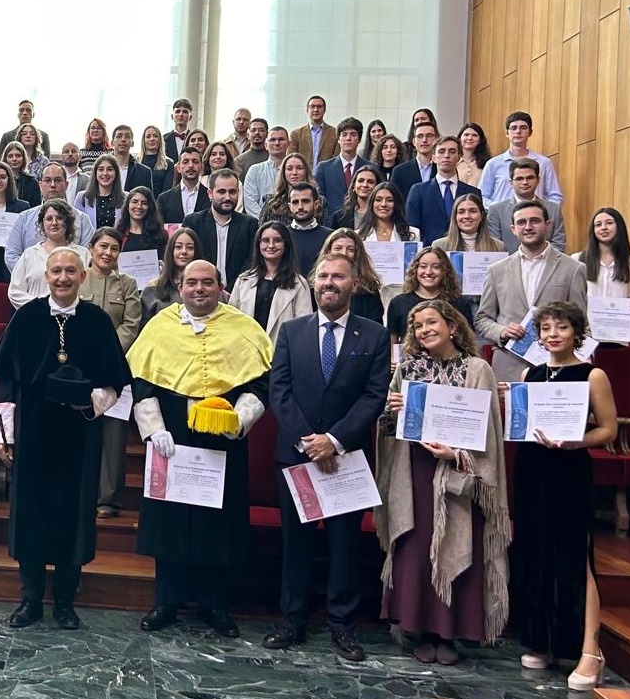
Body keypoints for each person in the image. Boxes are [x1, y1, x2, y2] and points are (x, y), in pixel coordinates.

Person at [0, 247, 132, 628]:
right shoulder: (27, 317)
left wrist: (88, 403)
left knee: (74, 517)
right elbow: (5, 379)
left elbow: (114, 383)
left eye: (71, 271)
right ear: (46, 275)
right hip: (32, 433)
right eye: (56, 272)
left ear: (83, 276)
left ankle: (66, 602)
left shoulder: (98, 321)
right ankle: (30, 599)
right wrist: (3, 433)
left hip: (79, 436)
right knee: (30, 515)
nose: (63, 278)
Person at [129, 260, 272, 635]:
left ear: (220, 286)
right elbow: (142, 382)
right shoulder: (159, 326)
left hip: (222, 440)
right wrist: (153, 429)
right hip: (171, 439)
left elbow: (258, 386)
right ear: (180, 285)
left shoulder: (243, 328)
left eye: (207, 282)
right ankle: (166, 601)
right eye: (191, 282)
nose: (199, 289)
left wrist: (240, 420)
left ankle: (214, 604)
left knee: (217, 523)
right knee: (169, 522)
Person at [263, 252, 390, 661]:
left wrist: (333, 440)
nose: (329, 283)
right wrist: (308, 441)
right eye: (323, 277)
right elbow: (278, 390)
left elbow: (374, 396)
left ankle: (342, 626)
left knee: (344, 545)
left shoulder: (373, 335)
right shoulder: (291, 331)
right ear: (314, 283)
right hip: (296, 456)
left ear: (353, 284)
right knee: (294, 543)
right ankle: (292, 619)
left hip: (346, 458)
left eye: (338, 276)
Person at [378, 300, 510, 666]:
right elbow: (389, 430)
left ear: (453, 326)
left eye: (431, 322)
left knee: (456, 541)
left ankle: (448, 633)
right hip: (415, 471)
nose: (424, 330)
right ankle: (417, 627)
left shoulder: (478, 369)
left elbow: (489, 433)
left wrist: (456, 455)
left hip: (459, 474)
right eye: (417, 326)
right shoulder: (407, 369)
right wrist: (390, 412)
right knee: (417, 549)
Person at [508, 302, 618, 690]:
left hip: (569, 470)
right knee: (536, 553)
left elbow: (608, 430)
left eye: (562, 327)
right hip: (532, 468)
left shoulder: (593, 374)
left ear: (577, 332)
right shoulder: (530, 372)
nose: (553, 334)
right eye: (547, 328)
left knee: (575, 556)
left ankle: (591, 650)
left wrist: (577, 442)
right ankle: (544, 640)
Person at [474, 201, 587, 381]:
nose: (528, 227)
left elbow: (582, 324)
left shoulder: (573, 269)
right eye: (521, 222)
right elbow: (482, 318)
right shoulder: (496, 270)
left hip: (557, 366)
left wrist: (582, 362)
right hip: (509, 366)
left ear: (547, 225)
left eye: (535, 221)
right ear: (513, 229)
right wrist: (501, 331)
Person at [76, 228, 143, 520]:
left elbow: (131, 324)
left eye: (114, 249)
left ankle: (109, 499)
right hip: (80, 368)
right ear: (91, 249)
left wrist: (108, 354)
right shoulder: (78, 279)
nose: (108, 253)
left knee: (113, 438)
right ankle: (78, 494)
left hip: (116, 370)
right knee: (79, 432)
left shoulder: (128, 284)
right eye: (103, 246)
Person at [573, 207, 630, 343]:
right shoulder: (577, 259)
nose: (603, 228)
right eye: (598, 225)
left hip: (618, 336)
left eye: (609, 223)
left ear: (619, 227)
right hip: (586, 335)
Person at [230, 221, 314, 340]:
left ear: (286, 245)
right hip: (248, 351)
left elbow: (304, 326)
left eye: (277, 240)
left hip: (282, 351)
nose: (271, 246)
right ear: (258, 244)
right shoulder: (243, 280)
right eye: (265, 240)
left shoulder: (299, 283)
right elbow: (232, 320)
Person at [2, 163, 90, 270]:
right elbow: (12, 255)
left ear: (67, 184)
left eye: (58, 180)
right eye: (47, 180)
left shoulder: (82, 220)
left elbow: (87, 258)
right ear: (40, 185)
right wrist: (34, 275)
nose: (53, 185)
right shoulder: (24, 218)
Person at [184, 168, 259, 285]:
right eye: (221, 192)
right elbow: (188, 260)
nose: (227, 197)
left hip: (239, 290)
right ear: (210, 194)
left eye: (232, 192)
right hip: (201, 290)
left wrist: (232, 290)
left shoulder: (250, 225)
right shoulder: (193, 222)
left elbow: (252, 261)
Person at [385, 247, 474, 344]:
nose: (428, 272)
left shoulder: (459, 303)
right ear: (415, 270)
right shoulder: (398, 303)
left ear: (445, 271)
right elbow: (391, 343)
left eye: (436, 267)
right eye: (423, 266)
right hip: (408, 357)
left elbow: (467, 341)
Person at [8, 200, 88, 308]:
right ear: (42, 223)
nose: (54, 223)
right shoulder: (29, 254)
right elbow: (15, 292)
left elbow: (90, 290)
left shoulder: (83, 254)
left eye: (59, 218)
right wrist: (43, 307)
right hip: (37, 317)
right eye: (49, 219)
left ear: (68, 222)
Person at [407, 136, 482, 246]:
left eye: (452, 152)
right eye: (441, 151)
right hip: (429, 253)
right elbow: (413, 228)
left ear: (459, 157)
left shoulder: (473, 193)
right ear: (433, 158)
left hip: (464, 252)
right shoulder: (418, 191)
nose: (447, 155)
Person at [478, 111, 564, 205]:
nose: (518, 131)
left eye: (523, 128)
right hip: (501, 218)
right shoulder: (493, 164)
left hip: (534, 217)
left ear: (530, 132)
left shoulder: (543, 163)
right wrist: (499, 211)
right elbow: (482, 196)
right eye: (513, 128)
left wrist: (542, 212)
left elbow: (555, 197)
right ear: (507, 133)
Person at [484, 158, 567, 251]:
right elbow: (495, 247)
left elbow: (559, 244)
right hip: (508, 264)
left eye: (530, 178)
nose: (525, 182)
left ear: (538, 180)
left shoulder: (553, 209)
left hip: (547, 263)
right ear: (511, 182)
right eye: (519, 179)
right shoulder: (496, 211)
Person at [319, 229, 385, 325]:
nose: (344, 253)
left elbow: (375, 328)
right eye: (338, 248)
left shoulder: (369, 288)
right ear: (329, 251)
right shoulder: (318, 285)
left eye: (350, 249)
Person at [313, 117, 369, 216]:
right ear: (338, 139)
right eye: (344, 135)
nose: (348, 138)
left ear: (359, 139)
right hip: (331, 224)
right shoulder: (323, 168)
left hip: (362, 222)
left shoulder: (369, 167)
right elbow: (318, 199)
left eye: (353, 134)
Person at [433, 193, 504, 254]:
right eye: (461, 212)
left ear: (481, 216)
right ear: (455, 216)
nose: (467, 216)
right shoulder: (439, 246)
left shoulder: (498, 246)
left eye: (473, 211)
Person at [241, 126, 289, 216]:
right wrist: (265, 221)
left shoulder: (296, 170)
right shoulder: (255, 171)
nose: (277, 143)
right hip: (261, 225)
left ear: (288, 144)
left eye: (281, 139)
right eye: (272, 140)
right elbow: (250, 202)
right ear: (266, 145)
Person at [285, 182, 329, 276]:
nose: (300, 207)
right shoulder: (281, 235)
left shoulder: (329, 237)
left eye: (305, 201)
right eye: (295, 202)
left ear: (316, 204)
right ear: (289, 206)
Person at [157, 147, 210, 225]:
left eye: (195, 161)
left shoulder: (211, 196)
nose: (191, 165)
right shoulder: (164, 199)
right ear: (178, 168)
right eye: (185, 162)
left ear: (202, 168)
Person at [73, 154, 126, 229]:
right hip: (89, 240)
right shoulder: (82, 197)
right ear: (95, 173)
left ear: (116, 173)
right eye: (101, 169)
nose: (105, 173)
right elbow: (76, 227)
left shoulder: (126, 198)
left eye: (110, 169)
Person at [260, 152, 312, 224]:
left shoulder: (319, 201)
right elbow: (262, 230)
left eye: (299, 168)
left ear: (306, 171)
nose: (294, 172)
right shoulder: (271, 202)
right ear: (283, 173)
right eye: (289, 169)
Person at [390, 122, 438, 197]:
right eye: (420, 136)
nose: (424, 140)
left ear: (436, 140)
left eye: (429, 136)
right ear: (414, 142)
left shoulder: (442, 169)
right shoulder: (399, 171)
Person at [115, 187, 167, 256]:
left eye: (144, 203)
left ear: (150, 207)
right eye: (135, 202)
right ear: (127, 206)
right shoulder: (118, 233)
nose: (139, 206)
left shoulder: (160, 235)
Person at [328, 164, 381, 230]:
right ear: (354, 186)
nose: (365, 185)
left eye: (370, 182)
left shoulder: (384, 214)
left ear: (377, 187)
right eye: (360, 181)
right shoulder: (339, 217)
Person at [290, 95, 339, 166]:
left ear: (324, 110)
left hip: (326, 176)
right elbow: (291, 160)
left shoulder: (335, 133)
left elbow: (336, 160)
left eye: (319, 107)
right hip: (303, 176)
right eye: (312, 107)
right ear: (307, 110)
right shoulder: (296, 134)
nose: (316, 110)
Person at [140, 126, 175, 195]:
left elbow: (166, 192)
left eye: (155, 136)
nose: (152, 139)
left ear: (160, 140)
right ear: (143, 140)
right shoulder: (136, 163)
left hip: (159, 204)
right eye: (148, 136)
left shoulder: (168, 164)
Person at [456, 123, 490, 188]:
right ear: (460, 138)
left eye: (474, 135)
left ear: (480, 140)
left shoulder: (488, 163)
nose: (470, 138)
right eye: (466, 135)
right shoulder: (452, 161)